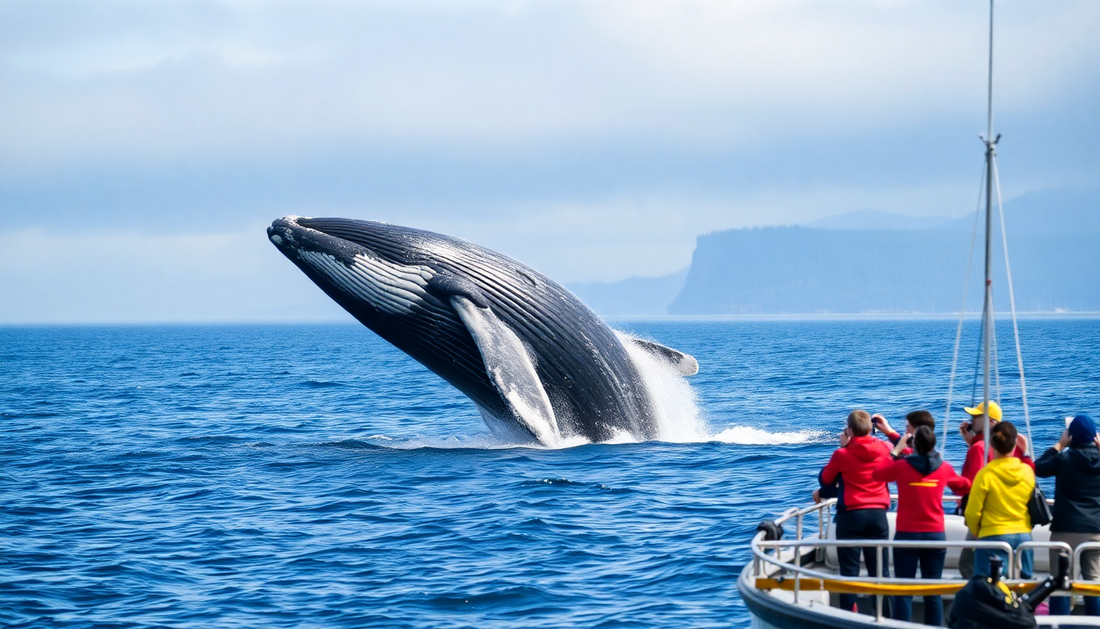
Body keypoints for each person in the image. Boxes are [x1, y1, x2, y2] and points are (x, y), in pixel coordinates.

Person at [873, 424, 970, 625]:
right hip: (934, 535)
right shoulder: (944, 468)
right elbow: (964, 486)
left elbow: (877, 474)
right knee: (932, 590)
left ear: (914, 445)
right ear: (933, 444)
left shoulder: (902, 466)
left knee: (904, 589)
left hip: (907, 535)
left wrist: (894, 451)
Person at [814, 410, 892, 614]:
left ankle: (850, 617)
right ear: (871, 428)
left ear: (849, 430)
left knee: (849, 573)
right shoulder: (885, 447)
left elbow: (826, 479)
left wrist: (842, 447)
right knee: (880, 573)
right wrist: (890, 431)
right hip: (877, 516)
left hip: (851, 517)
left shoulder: (842, 454)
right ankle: (886, 617)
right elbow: (904, 452)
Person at [956, 401, 1034, 577]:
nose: (972, 420)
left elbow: (972, 495)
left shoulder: (982, 460)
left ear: (991, 422)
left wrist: (977, 531)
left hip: (991, 528)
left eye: (977, 417)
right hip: (1022, 531)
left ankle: (979, 603)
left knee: (971, 567)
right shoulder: (1025, 469)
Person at [1035, 414, 1100, 616]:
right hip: (1095, 530)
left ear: (1070, 436)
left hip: (1065, 529)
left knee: (1060, 581)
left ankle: (1060, 624)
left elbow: (1038, 467)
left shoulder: (1063, 459)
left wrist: (1059, 445)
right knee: (1094, 583)